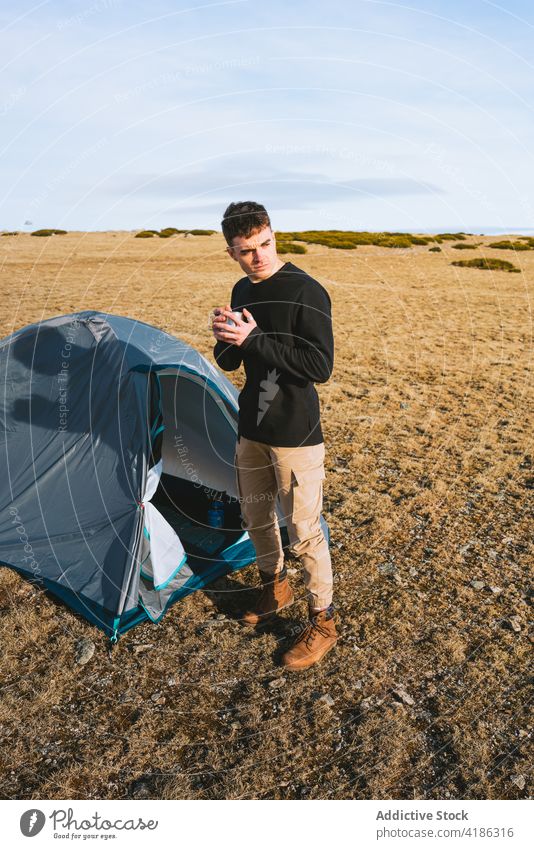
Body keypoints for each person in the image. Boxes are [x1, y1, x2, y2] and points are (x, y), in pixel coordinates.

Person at [212, 201, 336, 671]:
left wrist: (253, 340)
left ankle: (323, 621)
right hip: (252, 427)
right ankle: (273, 587)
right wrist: (225, 337)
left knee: (304, 530)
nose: (259, 257)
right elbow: (231, 361)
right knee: (256, 515)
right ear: (232, 253)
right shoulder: (242, 287)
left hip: (295, 432)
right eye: (247, 251)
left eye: (265, 245)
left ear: (273, 236)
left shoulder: (307, 291)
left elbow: (319, 366)